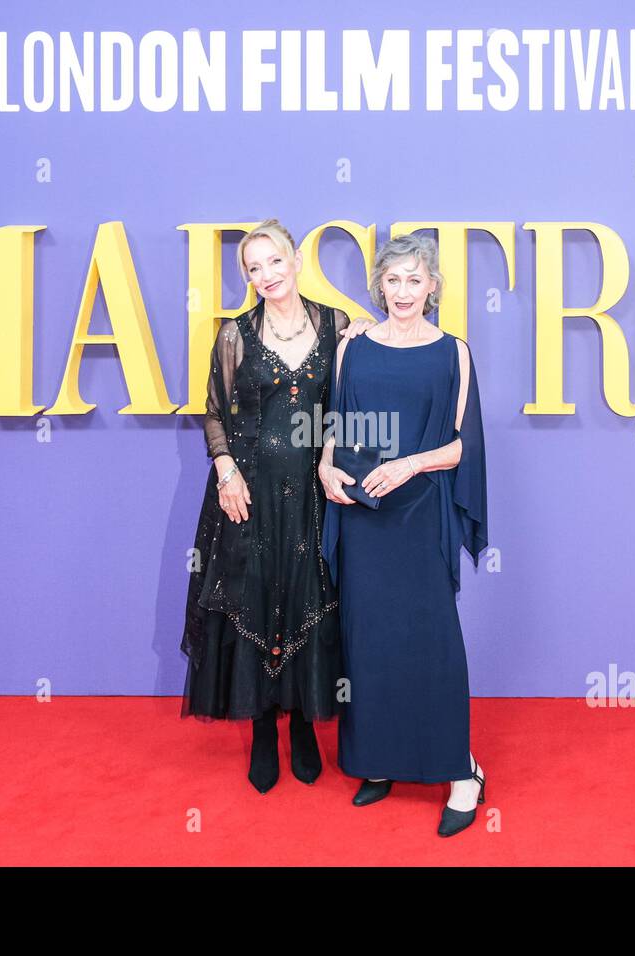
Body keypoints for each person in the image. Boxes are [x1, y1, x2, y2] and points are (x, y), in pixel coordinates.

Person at [180, 219, 375, 794]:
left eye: (273, 262)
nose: (265, 275)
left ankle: (306, 728)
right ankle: (264, 729)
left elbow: (350, 398)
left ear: (295, 260)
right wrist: (225, 470)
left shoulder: (336, 325)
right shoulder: (235, 334)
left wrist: (368, 331)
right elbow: (214, 411)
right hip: (250, 491)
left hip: (313, 492)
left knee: (310, 601)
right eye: (253, 268)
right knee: (258, 601)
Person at [319, 233, 490, 837]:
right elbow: (337, 421)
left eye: (414, 280)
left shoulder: (453, 352)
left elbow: (464, 444)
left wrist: (412, 463)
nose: (403, 292)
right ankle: (380, 759)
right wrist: (324, 466)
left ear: (433, 286)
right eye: (392, 281)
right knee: (369, 641)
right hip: (365, 513)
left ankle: (463, 774)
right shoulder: (354, 348)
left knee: (431, 641)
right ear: (379, 287)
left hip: (420, 513)